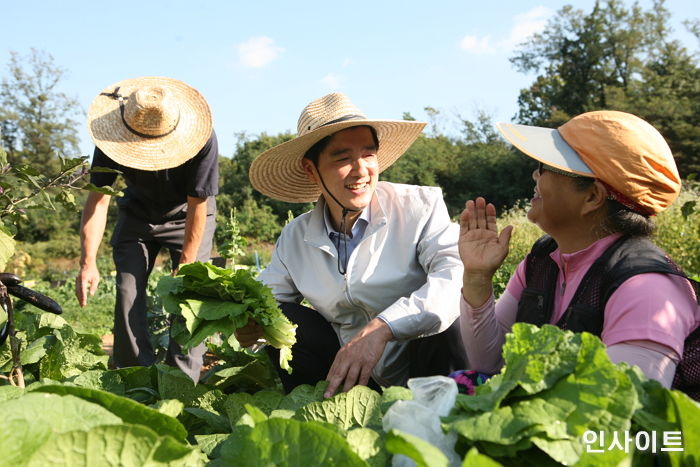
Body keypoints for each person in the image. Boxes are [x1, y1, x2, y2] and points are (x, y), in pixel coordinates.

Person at [241, 92, 467, 397]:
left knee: (446, 321)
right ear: (312, 170)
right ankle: (319, 416)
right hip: (351, 377)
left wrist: (383, 328)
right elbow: (264, 299)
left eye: (368, 154)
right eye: (343, 158)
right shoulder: (295, 238)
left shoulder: (419, 207)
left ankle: (448, 417)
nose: (361, 171)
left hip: (423, 367)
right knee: (283, 318)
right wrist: (248, 328)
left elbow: (452, 279)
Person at [458, 110, 699, 392]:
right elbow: (490, 362)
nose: (535, 173)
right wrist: (476, 277)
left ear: (592, 196)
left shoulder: (646, 289)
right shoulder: (542, 261)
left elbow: (617, 413)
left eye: (546, 166)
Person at [76, 76, 219, 381]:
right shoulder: (111, 138)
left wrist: (187, 264)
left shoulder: (202, 138)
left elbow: (197, 204)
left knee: (189, 294)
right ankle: (135, 380)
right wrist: (87, 263)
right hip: (137, 214)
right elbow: (98, 201)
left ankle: (182, 382)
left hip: (188, 215)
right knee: (128, 290)